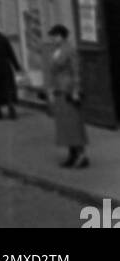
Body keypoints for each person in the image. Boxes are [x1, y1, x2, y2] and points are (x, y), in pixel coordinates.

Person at [47, 24, 89, 168]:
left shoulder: (69, 50)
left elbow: (76, 70)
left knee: (74, 124)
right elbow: (52, 72)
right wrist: (51, 89)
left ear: (61, 36)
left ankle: (81, 155)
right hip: (59, 89)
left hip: (69, 90)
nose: (52, 39)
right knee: (65, 125)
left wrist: (76, 89)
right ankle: (71, 154)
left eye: (54, 36)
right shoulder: (56, 51)